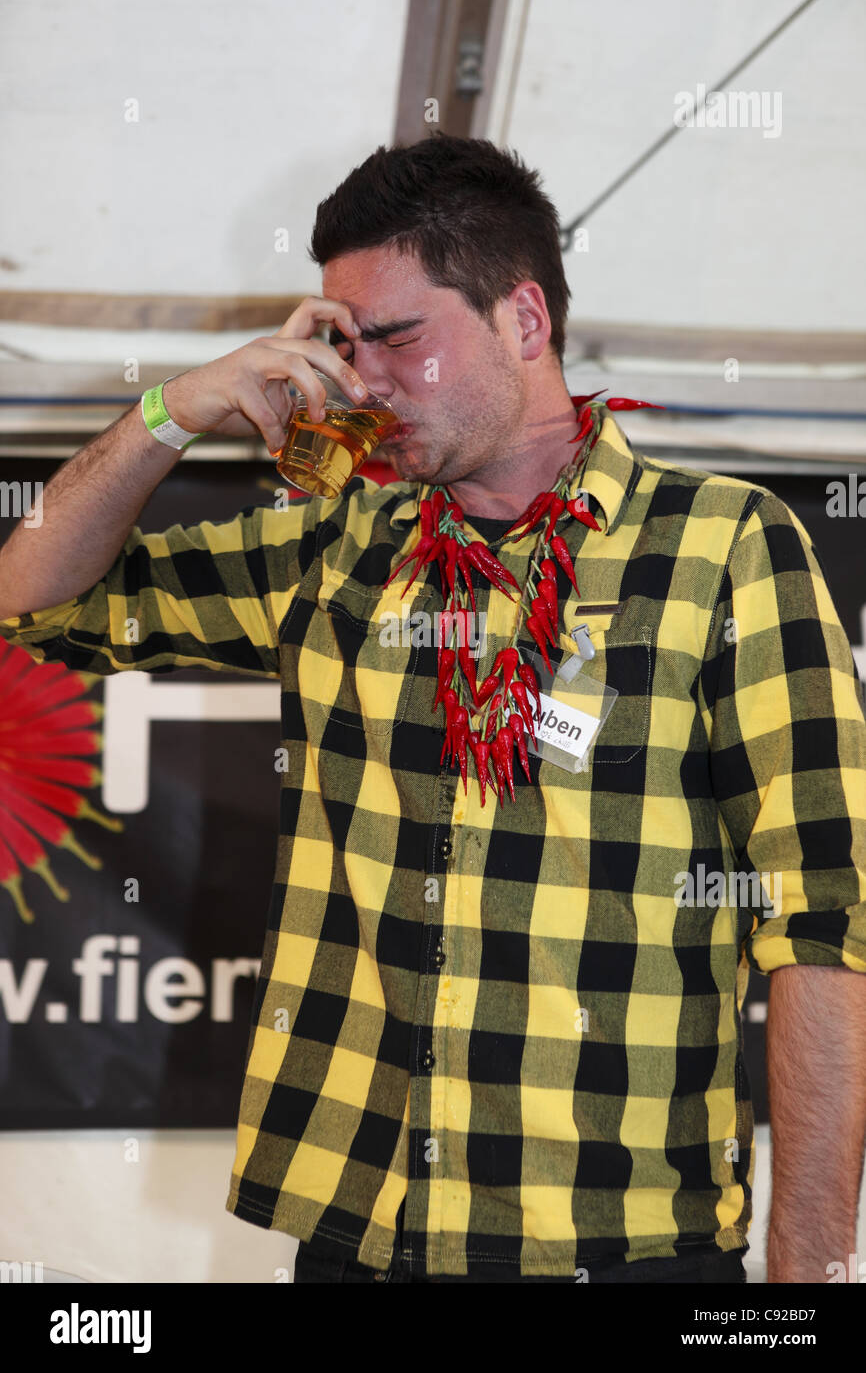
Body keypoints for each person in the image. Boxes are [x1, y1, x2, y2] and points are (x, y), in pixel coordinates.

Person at [0, 134, 864, 1285]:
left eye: (400, 338)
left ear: (522, 319)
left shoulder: (725, 544)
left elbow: (824, 927)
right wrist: (171, 412)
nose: (362, 380)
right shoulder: (335, 543)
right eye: (343, 344)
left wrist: (804, 1275)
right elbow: (29, 601)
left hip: (616, 1244)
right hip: (360, 1236)